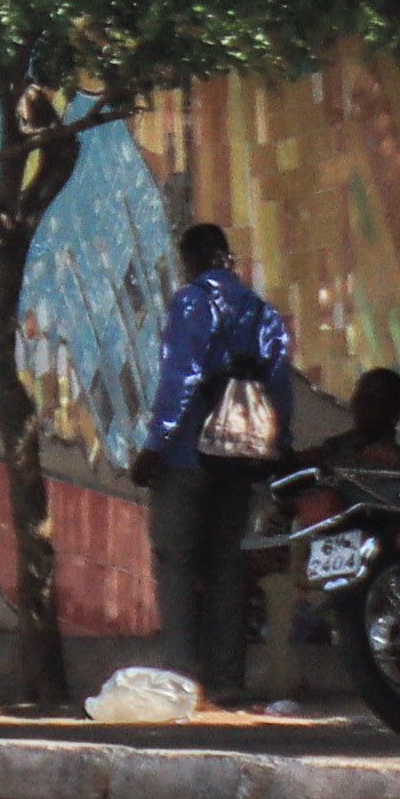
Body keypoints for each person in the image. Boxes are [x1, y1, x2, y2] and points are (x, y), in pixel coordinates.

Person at [127, 222, 297, 706]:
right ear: (229, 258)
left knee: (176, 562)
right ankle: (226, 679)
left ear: (189, 260)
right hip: (242, 459)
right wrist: (280, 445)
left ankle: (181, 677)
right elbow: (279, 387)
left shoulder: (191, 303)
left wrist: (156, 444)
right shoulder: (262, 312)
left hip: (187, 455)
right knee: (226, 565)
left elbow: (181, 376)